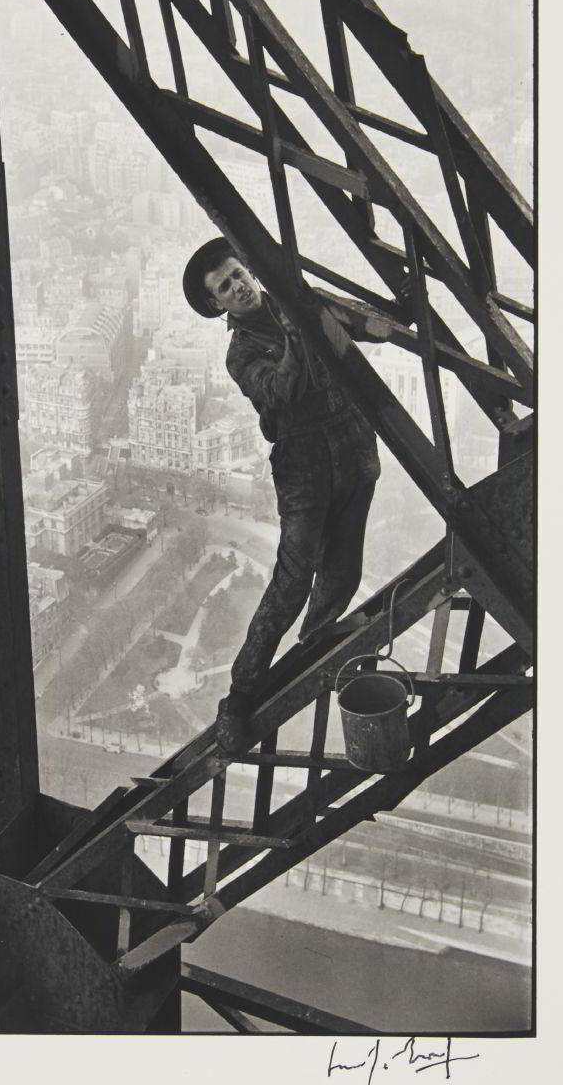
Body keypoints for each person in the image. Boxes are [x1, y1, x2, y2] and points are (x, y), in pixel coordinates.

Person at [182, 237, 401, 754]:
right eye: (225, 287)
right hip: (304, 465)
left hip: (351, 447)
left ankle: (314, 646)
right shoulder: (242, 354)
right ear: (218, 306)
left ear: (249, 271)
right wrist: (301, 326)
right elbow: (284, 391)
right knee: (293, 578)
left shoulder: (302, 302)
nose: (237, 288)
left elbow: (373, 329)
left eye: (237, 274)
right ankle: (239, 695)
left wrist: (389, 312)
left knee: (343, 571)